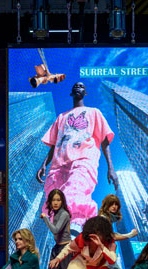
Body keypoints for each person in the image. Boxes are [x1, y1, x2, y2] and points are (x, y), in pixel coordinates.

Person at [36, 82, 118, 234]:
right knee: (54, 197)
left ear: (85, 93)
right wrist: (44, 164)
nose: (78, 87)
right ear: (71, 93)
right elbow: (54, 143)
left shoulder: (94, 112)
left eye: (82, 86)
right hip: (58, 163)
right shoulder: (61, 117)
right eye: (75, 86)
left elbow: (105, 141)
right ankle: (64, 230)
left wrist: (111, 168)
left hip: (84, 158)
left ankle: (76, 226)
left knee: (75, 188)